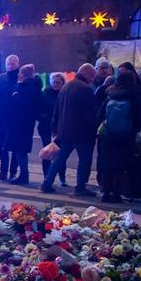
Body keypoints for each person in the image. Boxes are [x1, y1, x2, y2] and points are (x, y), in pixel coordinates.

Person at [42, 63, 98, 195]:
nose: (93, 79)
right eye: (93, 76)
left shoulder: (66, 86)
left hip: (64, 130)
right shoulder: (85, 89)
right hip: (81, 132)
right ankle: (80, 187)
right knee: (84, 159)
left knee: (60, 158)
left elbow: (57, 109)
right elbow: (89, 113)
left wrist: (54, 128)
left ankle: (47, 182)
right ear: (88, 74)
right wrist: (93, 129)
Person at [96, 68, 141, 203]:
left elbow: (100, 114)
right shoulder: (134, 96)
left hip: (108, 136)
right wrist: (133, 130)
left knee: (108, 165)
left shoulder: (110, 95)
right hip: (126, 137)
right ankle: (116, 194)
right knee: (120, 166)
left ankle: (105, 193)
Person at [4, 64, 42, 185]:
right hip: (25, 122)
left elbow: (24, 103)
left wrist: (15, 95)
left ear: (23, 75)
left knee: (20, 149)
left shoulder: (27, 86)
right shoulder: (32, 86)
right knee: (20, 149)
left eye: (20, 73)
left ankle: (24, 175)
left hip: (21, 123)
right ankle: (22, 174)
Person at [0, 54, 19, 180]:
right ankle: (3, 171)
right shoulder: (0, 79)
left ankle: (13, 171)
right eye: (8, 64)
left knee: (14, 146)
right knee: (2, 146)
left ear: (17, 64)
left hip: (15, 118)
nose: (10, 66)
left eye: (12, 64)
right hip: (2, 117)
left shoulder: (20, 78)